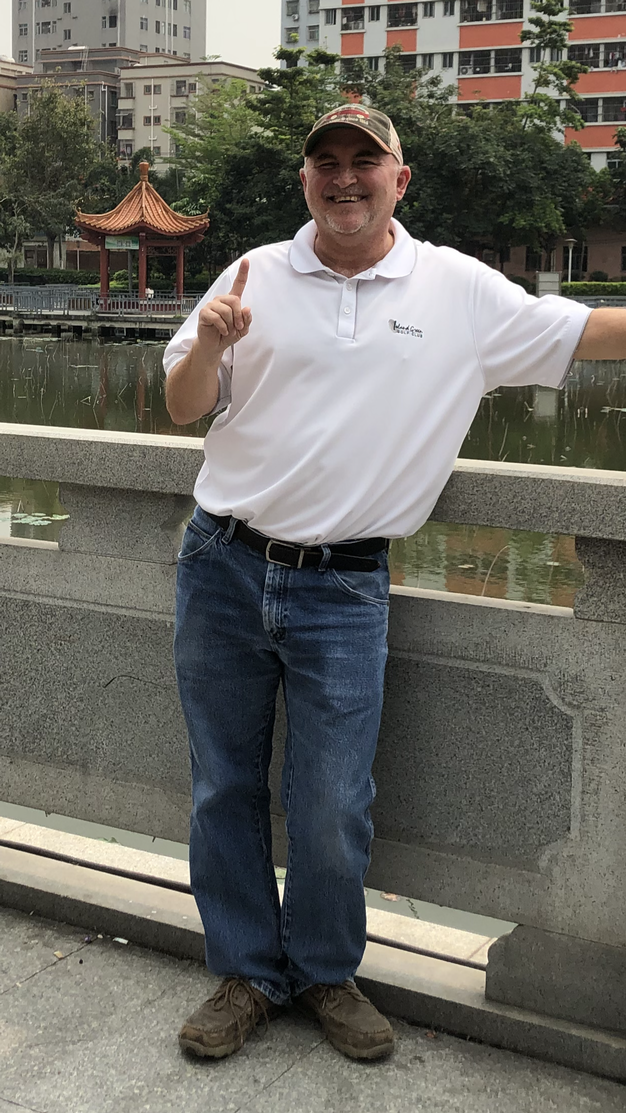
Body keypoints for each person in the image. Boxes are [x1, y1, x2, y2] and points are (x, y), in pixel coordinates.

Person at [163, 104, 622, 1063]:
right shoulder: (252, 273)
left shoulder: (457, 290)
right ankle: (245, 971)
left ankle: (323, 971)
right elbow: (180, 406)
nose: (345, 178)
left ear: (398, 181)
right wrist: (208, 341)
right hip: (223, 565)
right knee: (222, 785)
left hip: (344, 587)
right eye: (325, 162)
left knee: (334, 799)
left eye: (363, 163)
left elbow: (587, 332)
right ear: (304, 180)